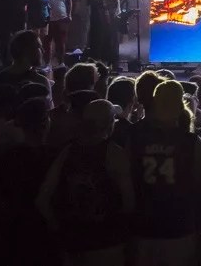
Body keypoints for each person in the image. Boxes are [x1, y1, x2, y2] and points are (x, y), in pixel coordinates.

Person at [36, 98, 135, 266]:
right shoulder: (115, 154)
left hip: (73, 241)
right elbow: (129, 202)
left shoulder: (67, 152)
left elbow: (42, 200)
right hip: (107, 242)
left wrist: (58, 229)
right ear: (110, 124)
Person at [126, 80, 201, 266]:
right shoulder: (190, 141)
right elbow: (199, 182)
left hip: (144, 221)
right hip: (178, 221)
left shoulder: (135, 135)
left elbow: (127, 176)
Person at [84, 0, 121, 68]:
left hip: (108, 20)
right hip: (99, 20)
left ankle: (107, 64)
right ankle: (97, 65)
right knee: (98, 42)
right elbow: (92, 2)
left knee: (109, 42)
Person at [44, 0, 75, 66]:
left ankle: (61, 63)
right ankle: (47, 64)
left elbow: (69, 0)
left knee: (60, 42)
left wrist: (69, 14)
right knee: (46, 42)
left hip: (61, 18)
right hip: (47, 18)